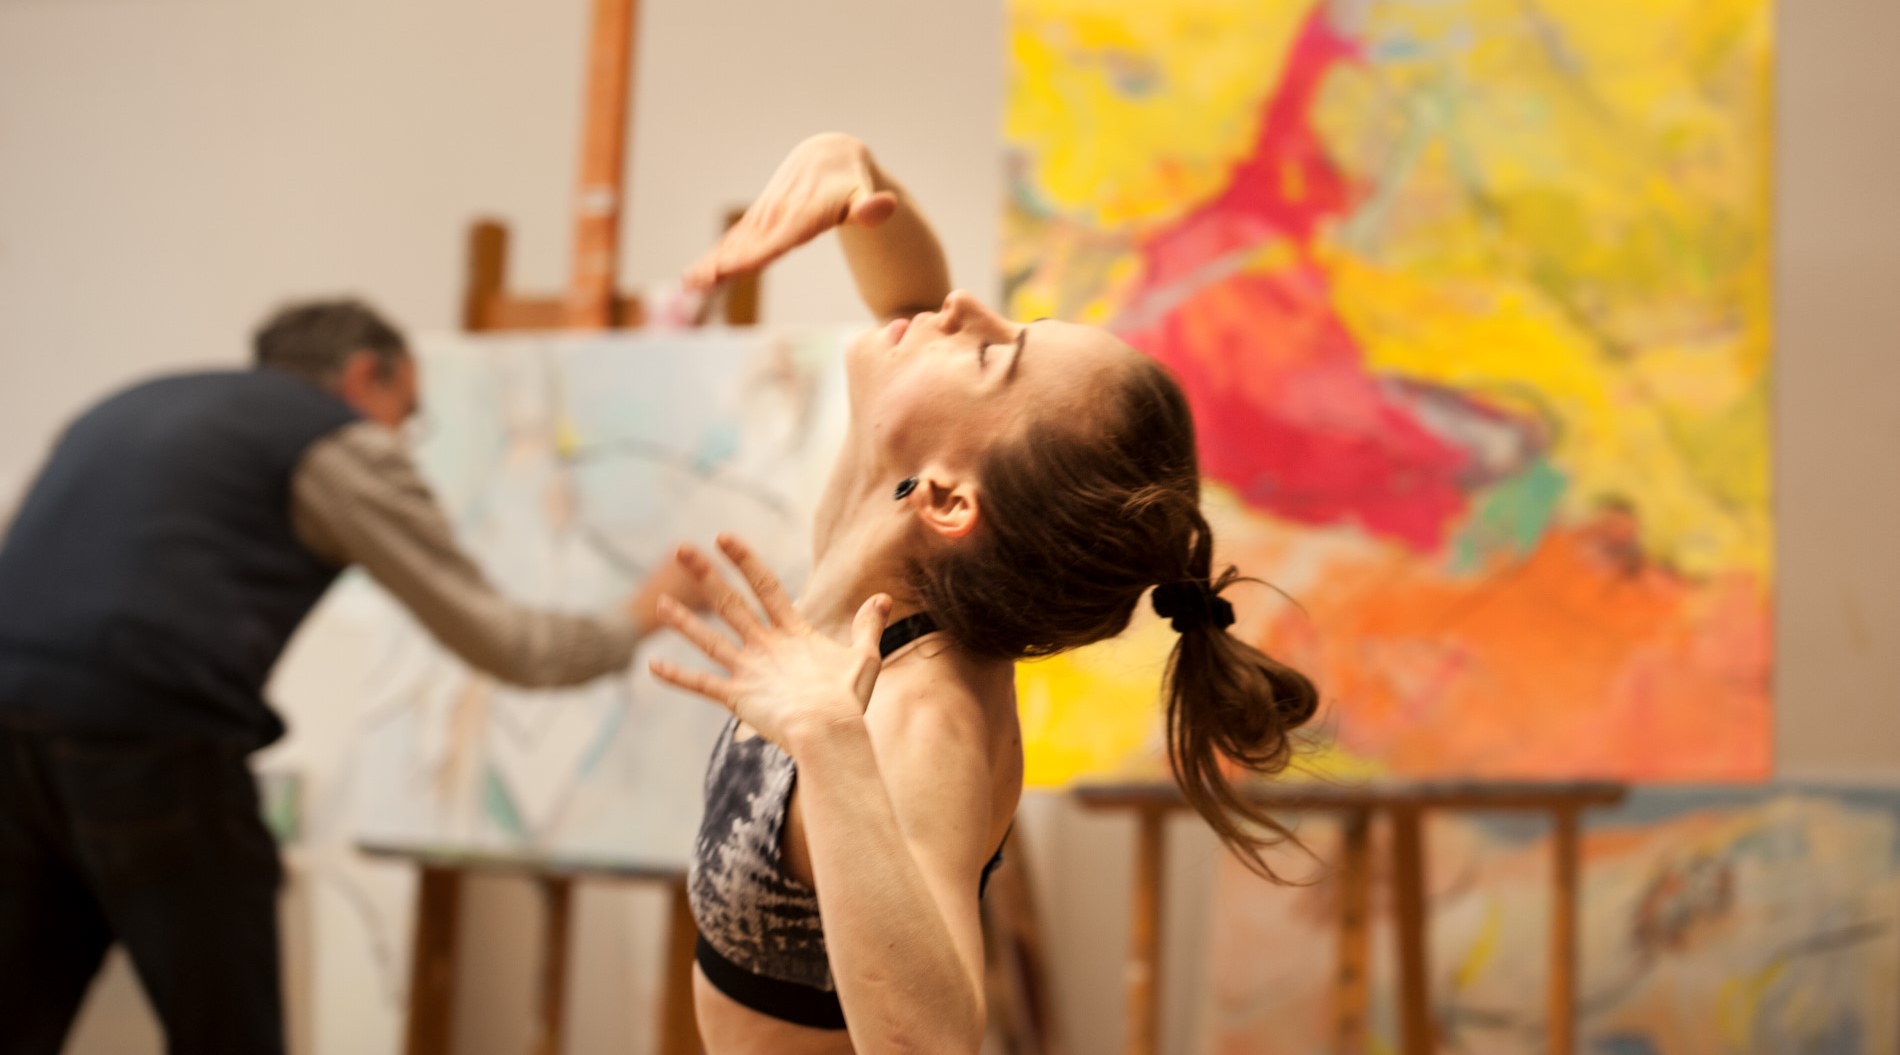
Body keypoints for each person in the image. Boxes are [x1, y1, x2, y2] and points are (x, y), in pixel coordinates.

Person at [651, 133, 1320, 1053]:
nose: (963, 307)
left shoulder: (925, 717)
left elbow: (935, 1042)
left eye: (992, 356)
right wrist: (857, 177)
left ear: (950, 501)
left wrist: (833, 742)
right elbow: (914, 299)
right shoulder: (881, 521)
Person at [0, 299, 704, 1055]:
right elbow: (510, 646)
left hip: (11, 730)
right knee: (228, 1031)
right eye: (409, 414)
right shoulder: (334, 443)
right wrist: (645, 613)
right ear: (367, 376)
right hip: (150, 735)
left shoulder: (125, 408)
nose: (401, 439)